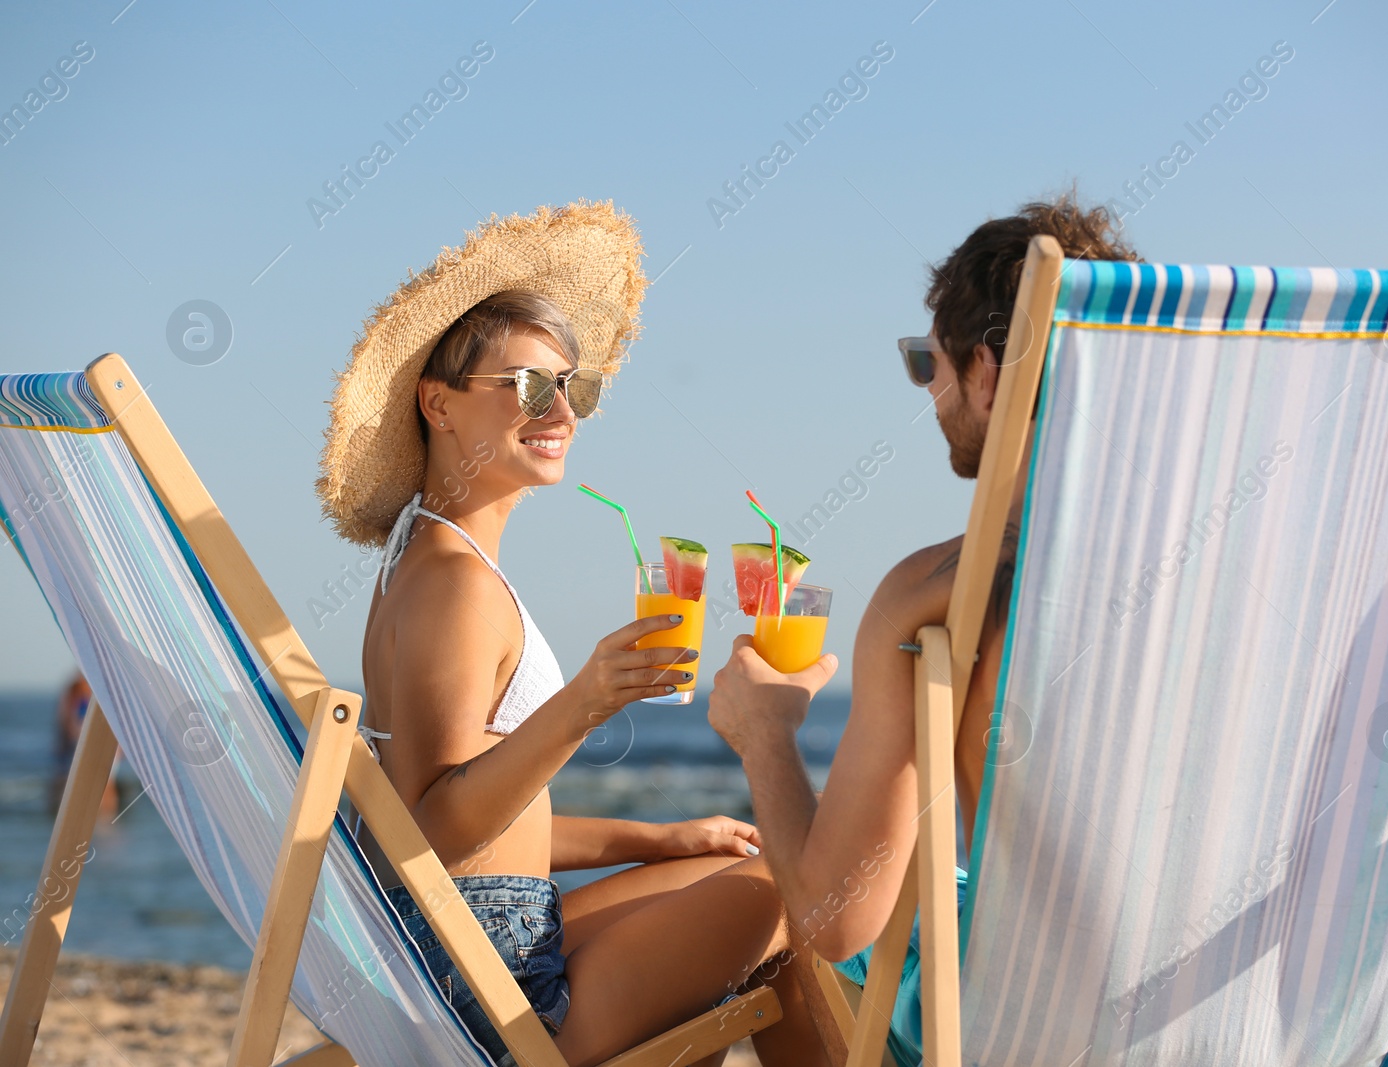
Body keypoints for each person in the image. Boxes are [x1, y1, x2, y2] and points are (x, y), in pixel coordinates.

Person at [316, 203, 824, 1067]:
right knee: (797, 897)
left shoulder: (430, 556)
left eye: (572, 387)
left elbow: (470, 812)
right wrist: (587, 701)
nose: (561, 410)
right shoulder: (454, 584)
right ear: (437, 403)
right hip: (494, 987)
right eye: (527, 386)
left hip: (456, 944)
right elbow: (440, 827)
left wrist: (661, 837)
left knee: (726, 877)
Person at [707, 192, 1142, 1064]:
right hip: (1253, 1014)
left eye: (928, 363)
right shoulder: (1256, 565)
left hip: (1028, 1031)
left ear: (987, 370)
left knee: (778, 952)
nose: (932, 391)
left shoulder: (939, 591)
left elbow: (836, 916)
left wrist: (764, 733)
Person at [53, 670, 119, 816]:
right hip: (88, 743)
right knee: (103, 790)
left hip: (87, 743)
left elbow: (65, 721)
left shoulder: (80, 687)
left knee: (78, 792)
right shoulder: (82, 687)